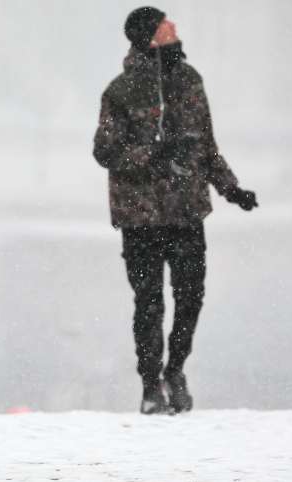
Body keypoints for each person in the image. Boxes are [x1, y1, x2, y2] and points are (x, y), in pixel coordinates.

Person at [93, 7, 258, 415]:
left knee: (191, 298)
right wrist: (157, 152)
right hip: (140, 216)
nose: (175, 27)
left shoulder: (190, 80)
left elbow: (206, 145)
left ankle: (175, 371)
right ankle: (151, 386)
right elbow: (106, 151)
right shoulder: (121, 90)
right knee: (149, 302)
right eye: (167, 23)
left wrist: (231, 188)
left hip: (186, 213)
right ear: (150, 35)